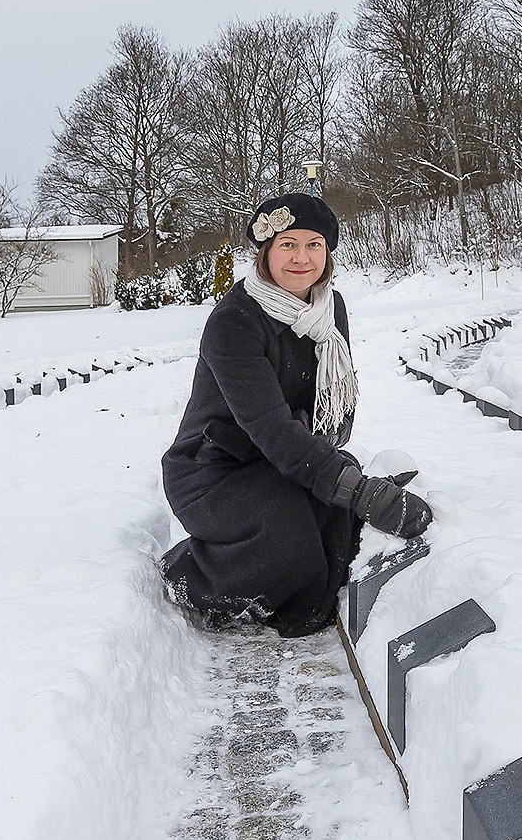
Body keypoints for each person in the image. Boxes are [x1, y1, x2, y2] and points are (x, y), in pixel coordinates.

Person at [160, 193, 431, 637]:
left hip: (278, 462)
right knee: (292, 549)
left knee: (337, 529)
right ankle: (191, 574)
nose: (302, 258)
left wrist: (340, 471)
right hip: (214, 472)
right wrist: (362, 492)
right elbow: (269, 426)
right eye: (287, 244)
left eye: (314, 245)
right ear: (265, 251)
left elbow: (332, 404)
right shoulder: (234, 322)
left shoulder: (330, 308)